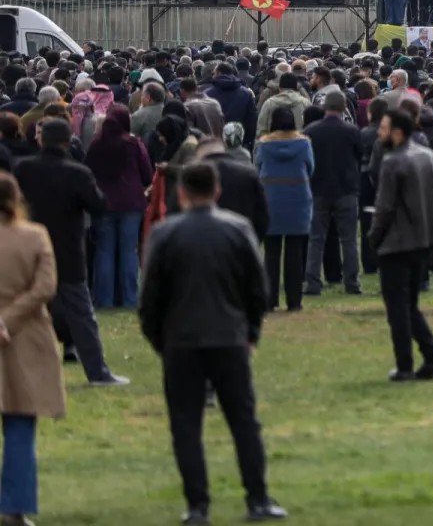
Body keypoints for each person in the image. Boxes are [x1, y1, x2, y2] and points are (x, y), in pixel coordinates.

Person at [137, 162, 286, 524]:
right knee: (243, 421)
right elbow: (256, 288)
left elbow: (150, 295)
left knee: (186, 425)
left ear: (182, 193)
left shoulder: (164, 234)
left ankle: (197, 505)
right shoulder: (238, 229)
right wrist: (251, 332)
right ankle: (258, 498)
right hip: (229, 336)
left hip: (180, 340)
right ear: (216, 191)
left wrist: (160, 338)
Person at [14, 119, 126, 387]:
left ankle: (19, 371)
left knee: (23, 313)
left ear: (40, 140)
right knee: (82, 316)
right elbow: (98, 206)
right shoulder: (77, 173)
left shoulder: (23, 169)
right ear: (68, 141)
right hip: (67, 252)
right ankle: (97, 372)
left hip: (29, 251)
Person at [0, 173, 66, 526]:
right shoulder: (35, 236)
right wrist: (7, 321)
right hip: (24, 336)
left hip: (16, 334)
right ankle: (15, 507)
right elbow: (45, 287)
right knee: (20, 427)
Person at [369, 108, 433, 381]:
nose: (379, 132)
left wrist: (373, 238)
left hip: (397, 242)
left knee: (398, 309)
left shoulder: (393, 162)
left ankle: (405, 365)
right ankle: (432, 358)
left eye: (384, 128)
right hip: (424, 241)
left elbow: (384, 208)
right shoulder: (429, 156)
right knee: (409, 305)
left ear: (397, 132)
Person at [84, 103, 154, 309]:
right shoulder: (134, 144)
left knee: (105, 250)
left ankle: (105, 299)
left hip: (104, 202)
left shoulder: (97, 145)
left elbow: (88, 173)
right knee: (129, 251)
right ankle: (130, 299)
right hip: (132, 202)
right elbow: (148, 174)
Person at [303, 90, 362, 297]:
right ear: (343, 106)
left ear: (324, 107)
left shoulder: (311, 130)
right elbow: (358, 157)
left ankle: (312, 282)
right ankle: (352, 282)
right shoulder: (352, 131)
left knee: (316, 239)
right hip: (346, 188)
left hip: (318, 188)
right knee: (349, 239)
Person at [254, 107, 314, 313]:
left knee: (271, 253)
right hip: (297, 198)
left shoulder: (264, 144)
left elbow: (258, 166)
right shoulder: (304, 143)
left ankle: (270, 299)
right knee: (295, 252)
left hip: (270, 199)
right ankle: (294, 300)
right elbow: (310, 167)